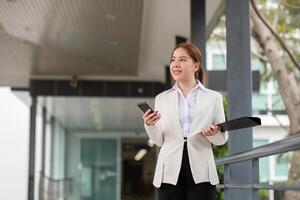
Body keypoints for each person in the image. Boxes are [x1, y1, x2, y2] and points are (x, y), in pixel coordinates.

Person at [142, 43, 228, 200]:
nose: (176, 64)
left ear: (195, 66)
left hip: (202, 171)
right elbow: (158, 140)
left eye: (182, 60)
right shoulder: (162, 98)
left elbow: (222, 139)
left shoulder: (213, 98)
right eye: (173, 60)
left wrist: (213, 134)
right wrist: (150, 125)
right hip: (169, 171)